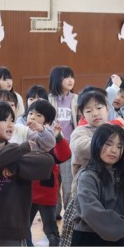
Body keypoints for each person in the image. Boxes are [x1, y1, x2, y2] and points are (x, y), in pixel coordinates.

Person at [0, 100, 54, 247]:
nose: (10, 125)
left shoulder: (16, 154)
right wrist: (18, 150)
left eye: (12, 120)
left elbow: (47, 162)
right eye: (4, 120)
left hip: (13, 228)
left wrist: (12, 165)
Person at [72, 123, 124, 246]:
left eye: (119, 146)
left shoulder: (121, 174)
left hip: (117, 236)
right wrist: (123, 227)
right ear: (96, 144)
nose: (114, 150)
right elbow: (91, 211)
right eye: (108, 144)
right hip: (89, 237)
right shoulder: (88, 176)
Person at [23, 99, 70, 247]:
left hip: (46, 190)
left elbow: (64, 155)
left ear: (47, 121)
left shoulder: (49, 138)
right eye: (31, 113)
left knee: (50, 228)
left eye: (39, 115)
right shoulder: (24, 134)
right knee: (24, 226)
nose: (33, 117)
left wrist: (58, 136)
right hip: (27, 190)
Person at [48, 66, 77, 210]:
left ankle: (70, 213)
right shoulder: (48, 99)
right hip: (51, 148)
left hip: (68, 148)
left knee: (68, 184)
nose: (70, 80)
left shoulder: (76, 99)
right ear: (56, 79)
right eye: (66, 77)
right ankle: (55, 212)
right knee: (53, 182)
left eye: (71, 77)